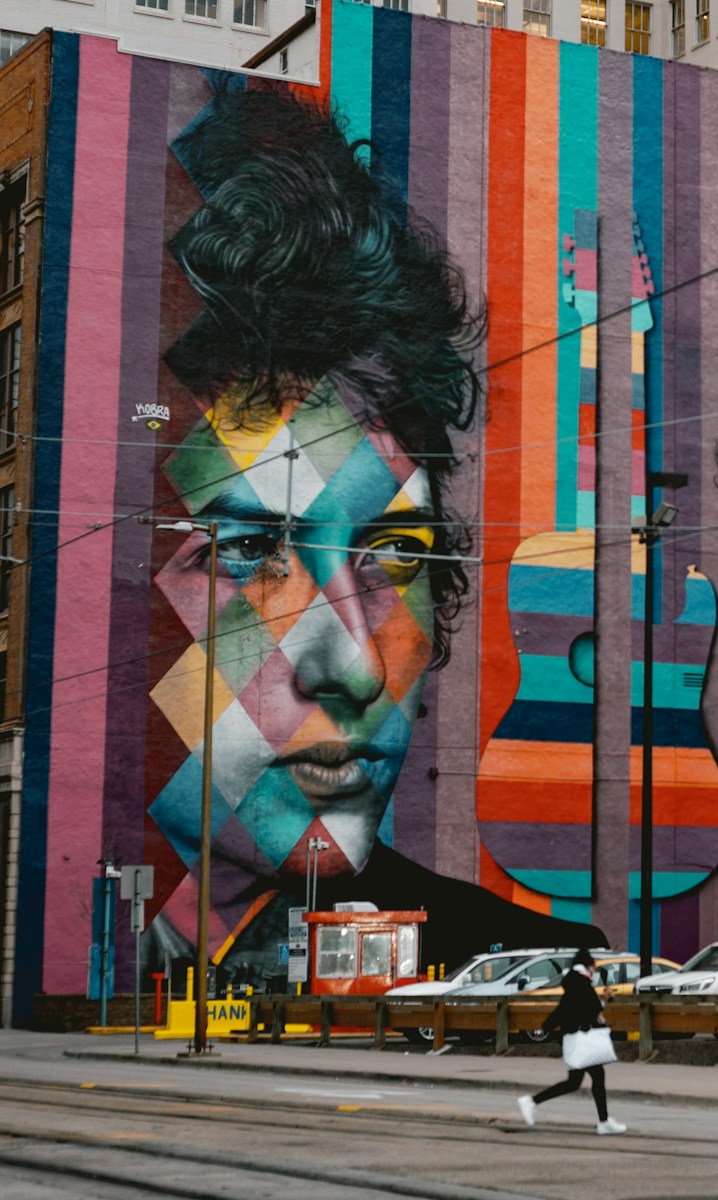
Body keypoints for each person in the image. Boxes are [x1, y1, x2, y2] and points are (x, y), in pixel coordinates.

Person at [142, 85, 603, 992]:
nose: (352, 665)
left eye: (396, 554)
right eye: (248, 552)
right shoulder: (115, 963)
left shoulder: (524, 966)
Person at [517, 949, 627, 1134]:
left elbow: (571, 1007)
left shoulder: (577, 982)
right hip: (578, 1038)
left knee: (584, 1079)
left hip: (576, 1037)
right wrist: (602, 1002)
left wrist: (549, 1024)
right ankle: (531, 1102)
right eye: (594, 966)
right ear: (587, 966)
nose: (595, 971)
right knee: (582, 1080)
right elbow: (582, 1008)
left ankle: (603, 1121)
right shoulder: (579, 983)